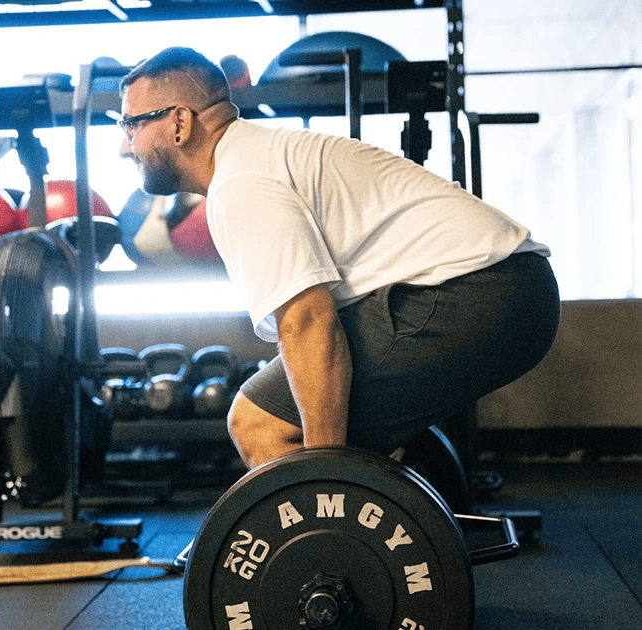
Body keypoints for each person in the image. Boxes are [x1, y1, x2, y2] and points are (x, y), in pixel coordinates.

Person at [116, 46, 561, 470]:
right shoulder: (255, 159)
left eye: (131, 125)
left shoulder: (242, 182)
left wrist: (326, 487)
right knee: (309, 413)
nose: (123, 146)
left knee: (259, 422)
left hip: (485, 290)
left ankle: (332, 546)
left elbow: (309, 323)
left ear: (179, 123)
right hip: (506, 288)